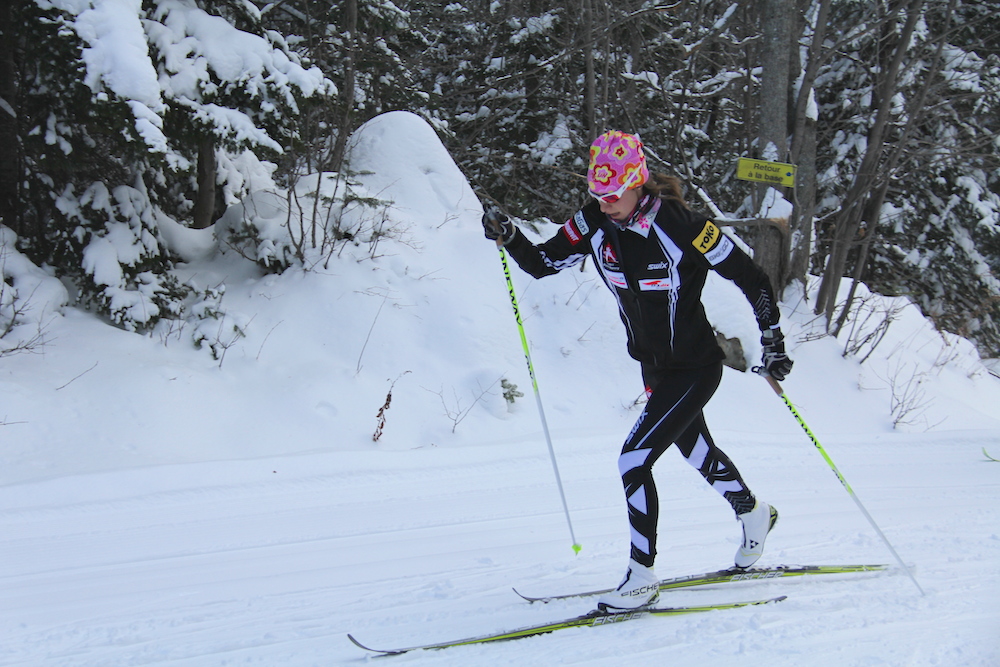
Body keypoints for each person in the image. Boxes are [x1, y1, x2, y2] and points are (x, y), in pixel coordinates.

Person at [482, 130, 793, 611]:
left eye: (612, 195)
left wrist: (772, 340)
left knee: (633, 459)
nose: (604, 205)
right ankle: (754, 514)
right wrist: (510, 236)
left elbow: (751, 277)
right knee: (697, 453)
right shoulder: (593, 221)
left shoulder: (683, 225)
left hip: (695, 367)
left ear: (637, 183)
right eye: (597, 195)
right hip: (654, 369)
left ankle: (642, 576)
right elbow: (543, 263)